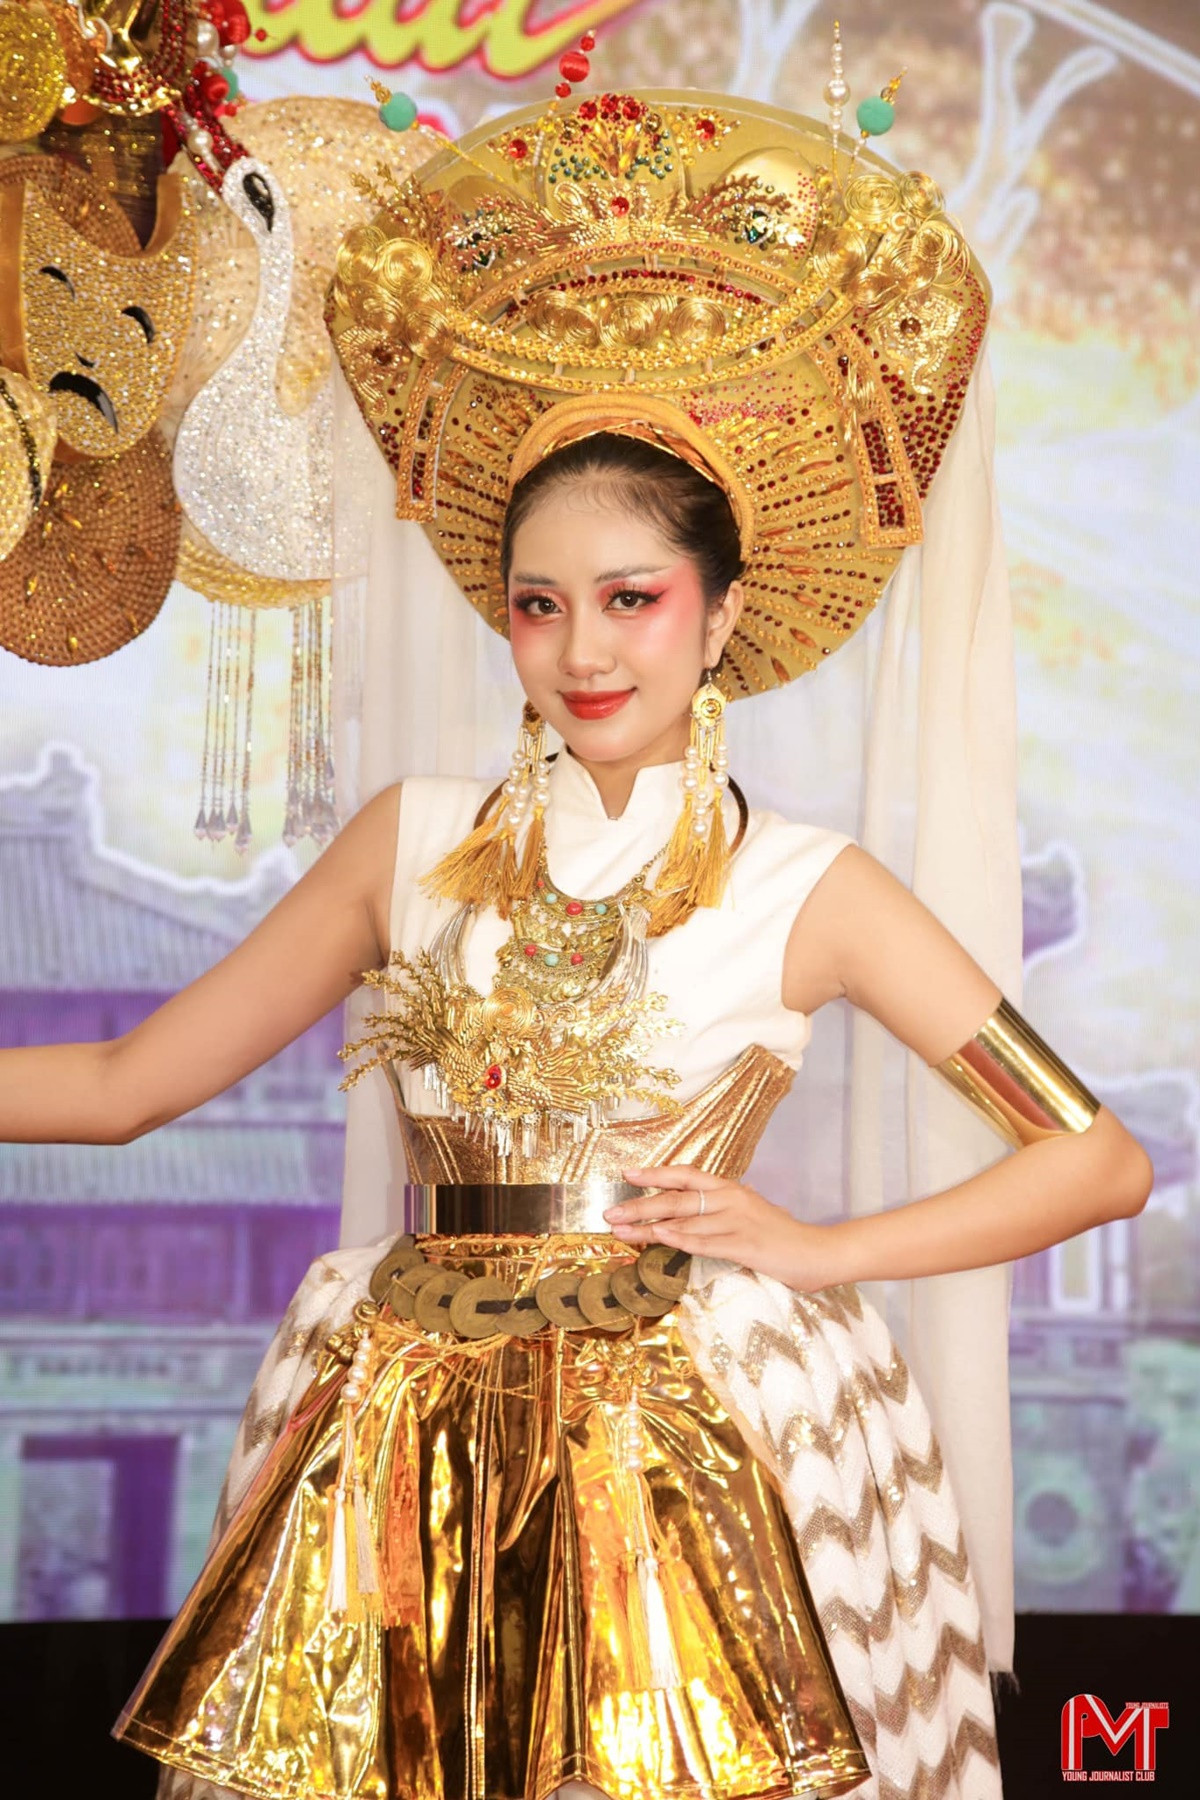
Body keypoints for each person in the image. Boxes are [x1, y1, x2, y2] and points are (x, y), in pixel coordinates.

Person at [8, 87, 1153, 1800]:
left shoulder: (813, 888)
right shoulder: (413, 841)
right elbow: (121, 1086)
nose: (582, 652)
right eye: (539, 606)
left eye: (633, 599)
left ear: (723, 612)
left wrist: (821, 1251)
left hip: (702, 1440)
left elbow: (1098, 1160)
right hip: (398, 1437)